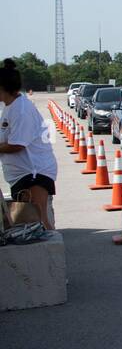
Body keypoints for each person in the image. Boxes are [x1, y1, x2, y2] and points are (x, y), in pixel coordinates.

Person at [0, 58, 59, 230]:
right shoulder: (10, 106)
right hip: (22, 174)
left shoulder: (21, 110)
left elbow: (17, 144)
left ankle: (49, 255)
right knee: (27, 222)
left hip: (34, 173)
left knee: (38, 222)